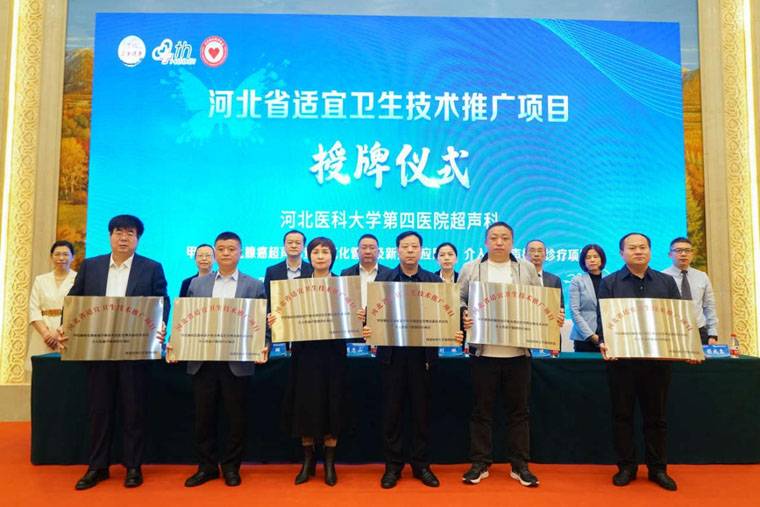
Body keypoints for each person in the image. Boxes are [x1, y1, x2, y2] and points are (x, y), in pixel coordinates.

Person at [59, 215, 169, 490]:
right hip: (98, 349)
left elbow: (161, 302)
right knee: (100, 411)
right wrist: (65, 326)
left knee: (134, 410)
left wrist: (162, 325)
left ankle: (133, 466)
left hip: (135, 351)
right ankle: (98, 467)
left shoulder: (151, 267)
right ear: (110, 236)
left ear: (138, 239)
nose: (123, 237)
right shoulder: (91, 266)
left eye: (130, 233)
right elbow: (74, 300)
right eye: (118, 232)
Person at [459, 223, 562, 488]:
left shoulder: (525, 268)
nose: (499, 242)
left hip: (518, 353)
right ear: (485, 242)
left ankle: (519, 464)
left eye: (505, 238)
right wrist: (463, 314)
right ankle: (480, 462)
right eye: (494, 238)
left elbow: (540, 301)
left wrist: (554, 316)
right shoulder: (471, 268)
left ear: (512, 242)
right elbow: (458, 298)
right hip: (483, 352)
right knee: (481, 411)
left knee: (519, 412)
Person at [362, 231, 464, 489]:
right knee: (392, 413)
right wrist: (367, 324)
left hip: (423, 358)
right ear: (397, 251)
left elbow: (447, 317)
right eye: (405, 246)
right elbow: (372, 317)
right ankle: (392, 466)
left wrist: (454, 331)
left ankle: (421, 465)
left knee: (422, 413)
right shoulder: (383, 279)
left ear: (421, 251)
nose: (409, 251)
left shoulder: (433, 281)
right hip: (392, 357)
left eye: (414, 246)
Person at [598, 232, 695, 491]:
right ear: (622, 254)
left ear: (650, 251)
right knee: (622, 416)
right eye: (632, 248)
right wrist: (605, 342)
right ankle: (626, 467)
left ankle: (658, 468)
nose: (638, 251)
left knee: (657, 417)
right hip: (622, 362)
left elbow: (678, 319)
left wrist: (688, 347)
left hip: (657, 363)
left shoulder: (666, 282)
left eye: (643, 247)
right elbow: (603, 320)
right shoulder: (610, 283)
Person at [171, 232, 268, 488]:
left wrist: (264, 345)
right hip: (203, 361)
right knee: (204, 417)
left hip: (237, 362)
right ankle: (207, 467)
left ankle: (232, 467)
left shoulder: (254, 285)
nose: (226, 253)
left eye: (231, 249)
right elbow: (184, 319)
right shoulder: (197, 284)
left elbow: (262, 324)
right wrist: (175, 343)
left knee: (236, 418)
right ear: (215, 252)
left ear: (241, 253)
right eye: (221, 249)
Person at [272, 237, 350, 486]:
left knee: (332, 404)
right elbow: (285, 319)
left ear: (333, 256)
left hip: (333, 354)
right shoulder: (297, 285)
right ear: (309, 256)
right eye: (316, 252)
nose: (320, 256)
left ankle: (329, 463)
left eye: (325, 252)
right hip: (305, 354)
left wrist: (359, 316)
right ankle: (308, 462)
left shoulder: (344, 285)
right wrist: (276, 321)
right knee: (305, 405)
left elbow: (353, 323)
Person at [27, 241, 77, 372]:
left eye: (66, 254)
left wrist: (58, 332)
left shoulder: (78, 279)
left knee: (66, 372)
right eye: (57, 254)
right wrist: (46, 334)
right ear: (51, 256)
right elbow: (34, 308)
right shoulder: (40, 280)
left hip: (67, 332)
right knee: (42, 373)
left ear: (73, 257)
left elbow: (78, 309)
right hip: (43, 332)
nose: (61, 258)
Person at [662, 237, 718, 345]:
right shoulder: (661, 277)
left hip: (699, 331)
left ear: (692, 254)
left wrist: (712, 334)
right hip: (672, 331)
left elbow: (709, 307)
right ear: (670, 254)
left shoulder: (702, 276)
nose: (683, 254)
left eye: (687, 250)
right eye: (678, 250)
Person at [569, 244, 607, 352]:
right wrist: (591, 336)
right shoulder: (577, 281)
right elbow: (574, 311)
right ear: (583, 261)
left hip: (607, 337)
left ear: (601, 259)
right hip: (584, 338)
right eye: (588, 257)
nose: (592, 260)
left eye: (596, 256)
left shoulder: (609, 280)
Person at [340, 233, 391, 308]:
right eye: (364, 248)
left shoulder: (389, 273)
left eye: (372, 248)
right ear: (357, 251)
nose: (368, 251)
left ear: (378, 252)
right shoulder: (346, 273)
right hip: (354, 315)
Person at [525, 239, 564, 307]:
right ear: (525, 255)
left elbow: (559, 306)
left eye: (540, 251)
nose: (536, 254)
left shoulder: (554, 280)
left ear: (545, 256)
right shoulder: (518, 276)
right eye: (532, 251)